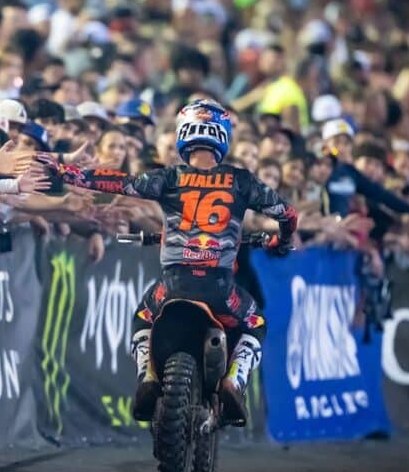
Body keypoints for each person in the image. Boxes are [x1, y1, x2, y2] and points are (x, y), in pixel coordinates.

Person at [39, 99, 299, 425]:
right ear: (223, 136)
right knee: (256, 323)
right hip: (220, 288)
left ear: (183, 135)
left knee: (142, 318)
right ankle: (234, 379)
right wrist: (282, 240)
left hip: (173, 285)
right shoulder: (242, 180)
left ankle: (148, 375)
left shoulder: (170, 178)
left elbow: (118, 182)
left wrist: (65, 172)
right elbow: (287, 214)